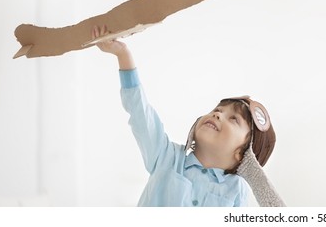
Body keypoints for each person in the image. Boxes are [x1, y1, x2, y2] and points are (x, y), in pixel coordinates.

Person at [93, 25, 285, 207]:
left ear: (243, 154)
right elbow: (140, 114)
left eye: (233, 119)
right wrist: (123, 54)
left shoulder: (236, 190)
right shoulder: (166, 158)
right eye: (217, 110)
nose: (218, 114)